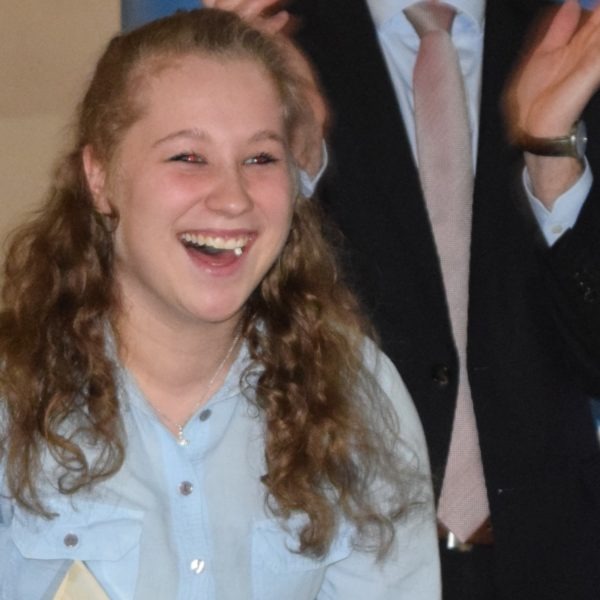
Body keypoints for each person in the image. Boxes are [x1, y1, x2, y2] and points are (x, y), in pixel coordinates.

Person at [0, 8, 440, 600]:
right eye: (188, 157)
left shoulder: (354, 391)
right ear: (99, 176)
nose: (233, 199)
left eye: (261, 159)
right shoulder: (14, 394)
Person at [202, 0, 600, 598]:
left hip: (557, 560)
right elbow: (220, 321)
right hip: (333, 559)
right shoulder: (268, 41)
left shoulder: (572, 44)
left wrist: (553, 158)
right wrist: (298, 154)